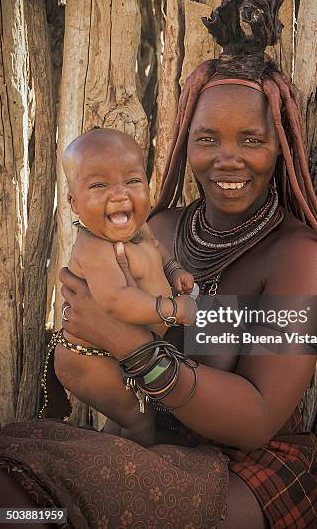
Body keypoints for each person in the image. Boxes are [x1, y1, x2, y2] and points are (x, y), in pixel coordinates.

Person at [0, 0, 317, 528]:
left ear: (283, 149)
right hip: (149, 439)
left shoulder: (298, 255)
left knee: (50, 511)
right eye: (207, 139)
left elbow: (252, 420)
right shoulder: (159, 229)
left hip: (247, 469)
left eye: (251, 139)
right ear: (184, 141)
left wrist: (125, 341)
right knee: (15, 488)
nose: (228, 159)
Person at [51, 128, 197, 447]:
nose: (120, 194)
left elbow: (157, 250)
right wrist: (171, 310)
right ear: (74, 203)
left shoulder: (137, 227)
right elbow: (116, 301)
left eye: (132, 181)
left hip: (119, 351)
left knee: (127, 418)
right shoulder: (94, 248)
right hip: (89, 358)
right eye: (100, 185)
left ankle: (112, 458)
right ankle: (127, 481)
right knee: (139, 419)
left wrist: (175, 271)